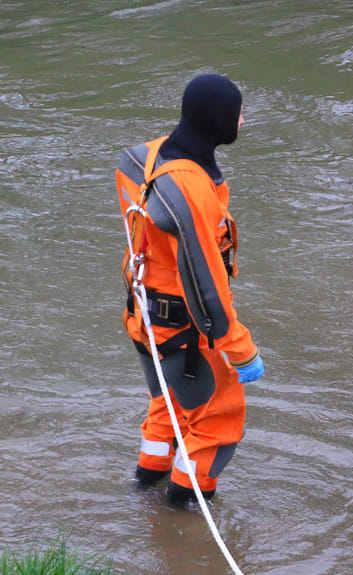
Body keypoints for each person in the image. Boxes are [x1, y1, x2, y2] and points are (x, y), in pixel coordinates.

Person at [115, 73, 264, 508]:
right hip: (185, 328)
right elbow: (205, 284)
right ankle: (180, 524)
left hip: (144, 315)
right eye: (238, 112)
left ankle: (144, 488)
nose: (243, 119)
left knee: (167, 405)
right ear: (219, 121)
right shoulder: (192, 189)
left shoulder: (145, 158)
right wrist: (240, 348)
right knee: (218, 424)